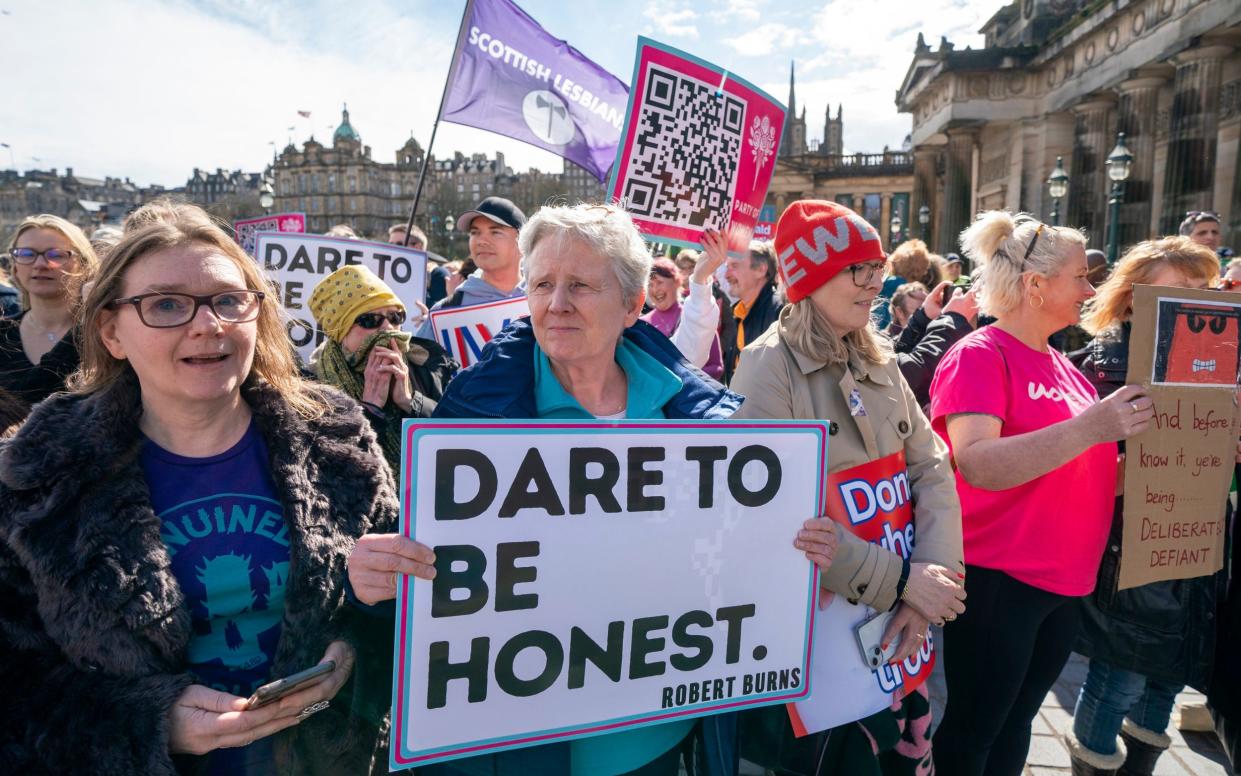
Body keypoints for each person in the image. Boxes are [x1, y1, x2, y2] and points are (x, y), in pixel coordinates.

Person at [348, 202, 838, 776]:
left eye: (580, 285)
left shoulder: (703, 422)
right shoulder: (472, 419)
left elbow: (734, 558)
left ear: (634, 304)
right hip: (519, 750)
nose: (556, 304)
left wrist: (795, 552)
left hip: (655, 744)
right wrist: (372, 582)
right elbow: (437, 590)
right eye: (543, 284)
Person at [0, 206, 396, 774]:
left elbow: (405, 607)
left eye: (229, 300)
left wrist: (358, 644)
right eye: (165, 304)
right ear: (111, 331)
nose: (207, 325)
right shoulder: (36, 476)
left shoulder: (339, 442)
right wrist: (145, 724)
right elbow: (13, 685)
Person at [731, 200, 965, 775]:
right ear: (811, 279)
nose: (875, 282)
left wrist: (932, 576)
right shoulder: (766, 368)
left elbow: (931, 465)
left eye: (877, 266)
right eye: (858, 269)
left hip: (897, 626)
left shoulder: (878, 355)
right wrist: (905, 584)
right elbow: (774, 523)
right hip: (820, 649)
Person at [928, 211, 1156, 776]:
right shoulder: (981, 354)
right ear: (1035, 285)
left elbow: (1086, 470)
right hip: (998, 577)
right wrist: (1090, 428)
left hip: (1061, 582)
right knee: (974, 732)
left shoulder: (1061, 364)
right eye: (1080, 276)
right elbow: (976, 463)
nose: (1091, 289)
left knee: (1014, 726)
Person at [1064, 237, 1222, 775]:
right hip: (1127, 546)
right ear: (1133, 297)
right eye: (1178, 290)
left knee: (1166, 683)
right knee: (1121, 676)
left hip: (1192, 543)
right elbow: (1070, 468)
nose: (1195, 303)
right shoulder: (1095, 364)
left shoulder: (1222, 365)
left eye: (1204, 290)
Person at [307, 264, 457, 475]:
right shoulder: (312, 385)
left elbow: (456, 441)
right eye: (370, 320)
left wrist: (410, 401)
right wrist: (370, 409)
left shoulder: (426, 364)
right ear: (340, 331)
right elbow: (324, 472)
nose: (387, 328)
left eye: (395, 317)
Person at [0, 215, 98, 405]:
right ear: (15, 268)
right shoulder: (2, 334)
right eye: (27, 254)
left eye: (56, 255)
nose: (40, 264)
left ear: (84, 265)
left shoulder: (107, 335)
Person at [415, 197, 526, 339]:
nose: (481, 241)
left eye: (495, 232)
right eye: (475, 233)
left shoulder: (546, 301)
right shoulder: (445, 312)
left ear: (522, 241)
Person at [640, 254, 725, 379]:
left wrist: (684, 379)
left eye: (659, 282)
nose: (655, 289)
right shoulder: (641, 323)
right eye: (650, 284)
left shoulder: (695, 316)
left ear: (677, 281)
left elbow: (716, 367)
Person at [721, 241, 783, 383]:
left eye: (734, 266)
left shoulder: (781, 313)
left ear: (761, 270)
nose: (726, 275)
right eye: (727, 267)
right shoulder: (737, 313)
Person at [873, 239, 931, 330]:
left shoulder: (885, 282)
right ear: (919, 267)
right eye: (925, 267)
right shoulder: (906, 290)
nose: (925, 272)